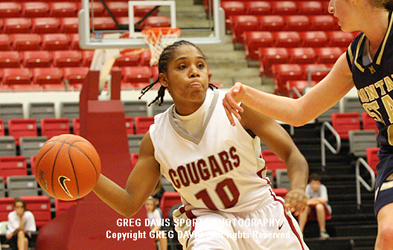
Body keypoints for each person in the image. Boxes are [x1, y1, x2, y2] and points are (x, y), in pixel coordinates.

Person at [93, 40, 310, 249]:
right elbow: (129, 203)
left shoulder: (237, 107)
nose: (194, 71)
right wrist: (89, 177)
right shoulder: (156, 138)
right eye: (182, 66)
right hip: (209, 222)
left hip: (262, 215)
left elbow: (292, 154)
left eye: (200, 65)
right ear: (164, 79)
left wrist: (299, 188)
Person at [222, 1, 393, 248]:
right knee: (388, 234)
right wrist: (246, 94)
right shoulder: (353, 60)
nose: (330, 8)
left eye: (334, 0)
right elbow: (300, 111)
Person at [297, 173, 332, 239]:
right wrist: (318, 199)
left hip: (322, 209)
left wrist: (312, 200)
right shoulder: (307, 187)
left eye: (317, 184)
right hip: (310, 208)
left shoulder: (323, 188)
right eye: (313, 183)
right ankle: (300, 231)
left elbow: (324, 201)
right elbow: (305, 201)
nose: (315, 186)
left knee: (319, 206)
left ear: (320, 184)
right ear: (310, 183)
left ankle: (323, 231)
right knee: (304, 207)